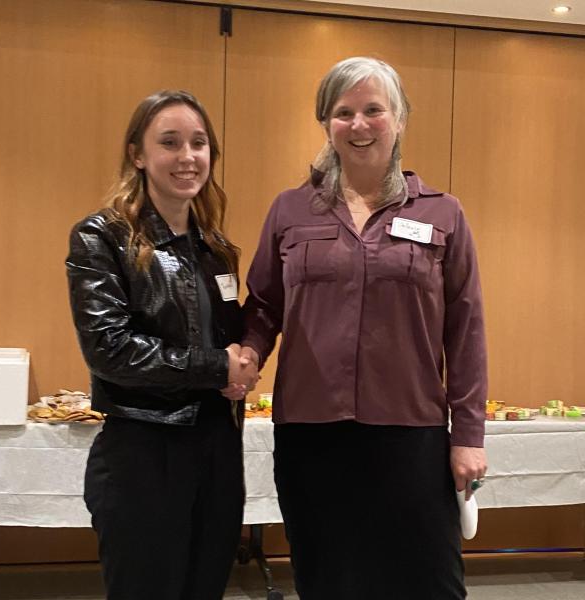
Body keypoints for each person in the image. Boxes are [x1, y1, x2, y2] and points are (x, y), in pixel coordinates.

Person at [240, 57, 488, 599]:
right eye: (343, 112)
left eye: (374, 110)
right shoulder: (289, 211)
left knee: (429, 583)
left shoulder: (443, 214)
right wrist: (247, 355)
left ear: (399, 120)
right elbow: (262, 305)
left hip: (411, 433)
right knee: (328, 579)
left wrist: (467, 435)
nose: (359, 124)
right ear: (326, 123)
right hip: (311, 433)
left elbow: (465, 329)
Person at [66, 90, 257, 600]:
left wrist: (239, 369)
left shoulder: (217, 250)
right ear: (137, 154)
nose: (187, 156)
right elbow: (110, 350)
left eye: (198, 143)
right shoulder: (101, 238)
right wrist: (218, 368)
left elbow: (229, 341)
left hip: (216, 451)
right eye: (169, 142)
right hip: (143, 453)